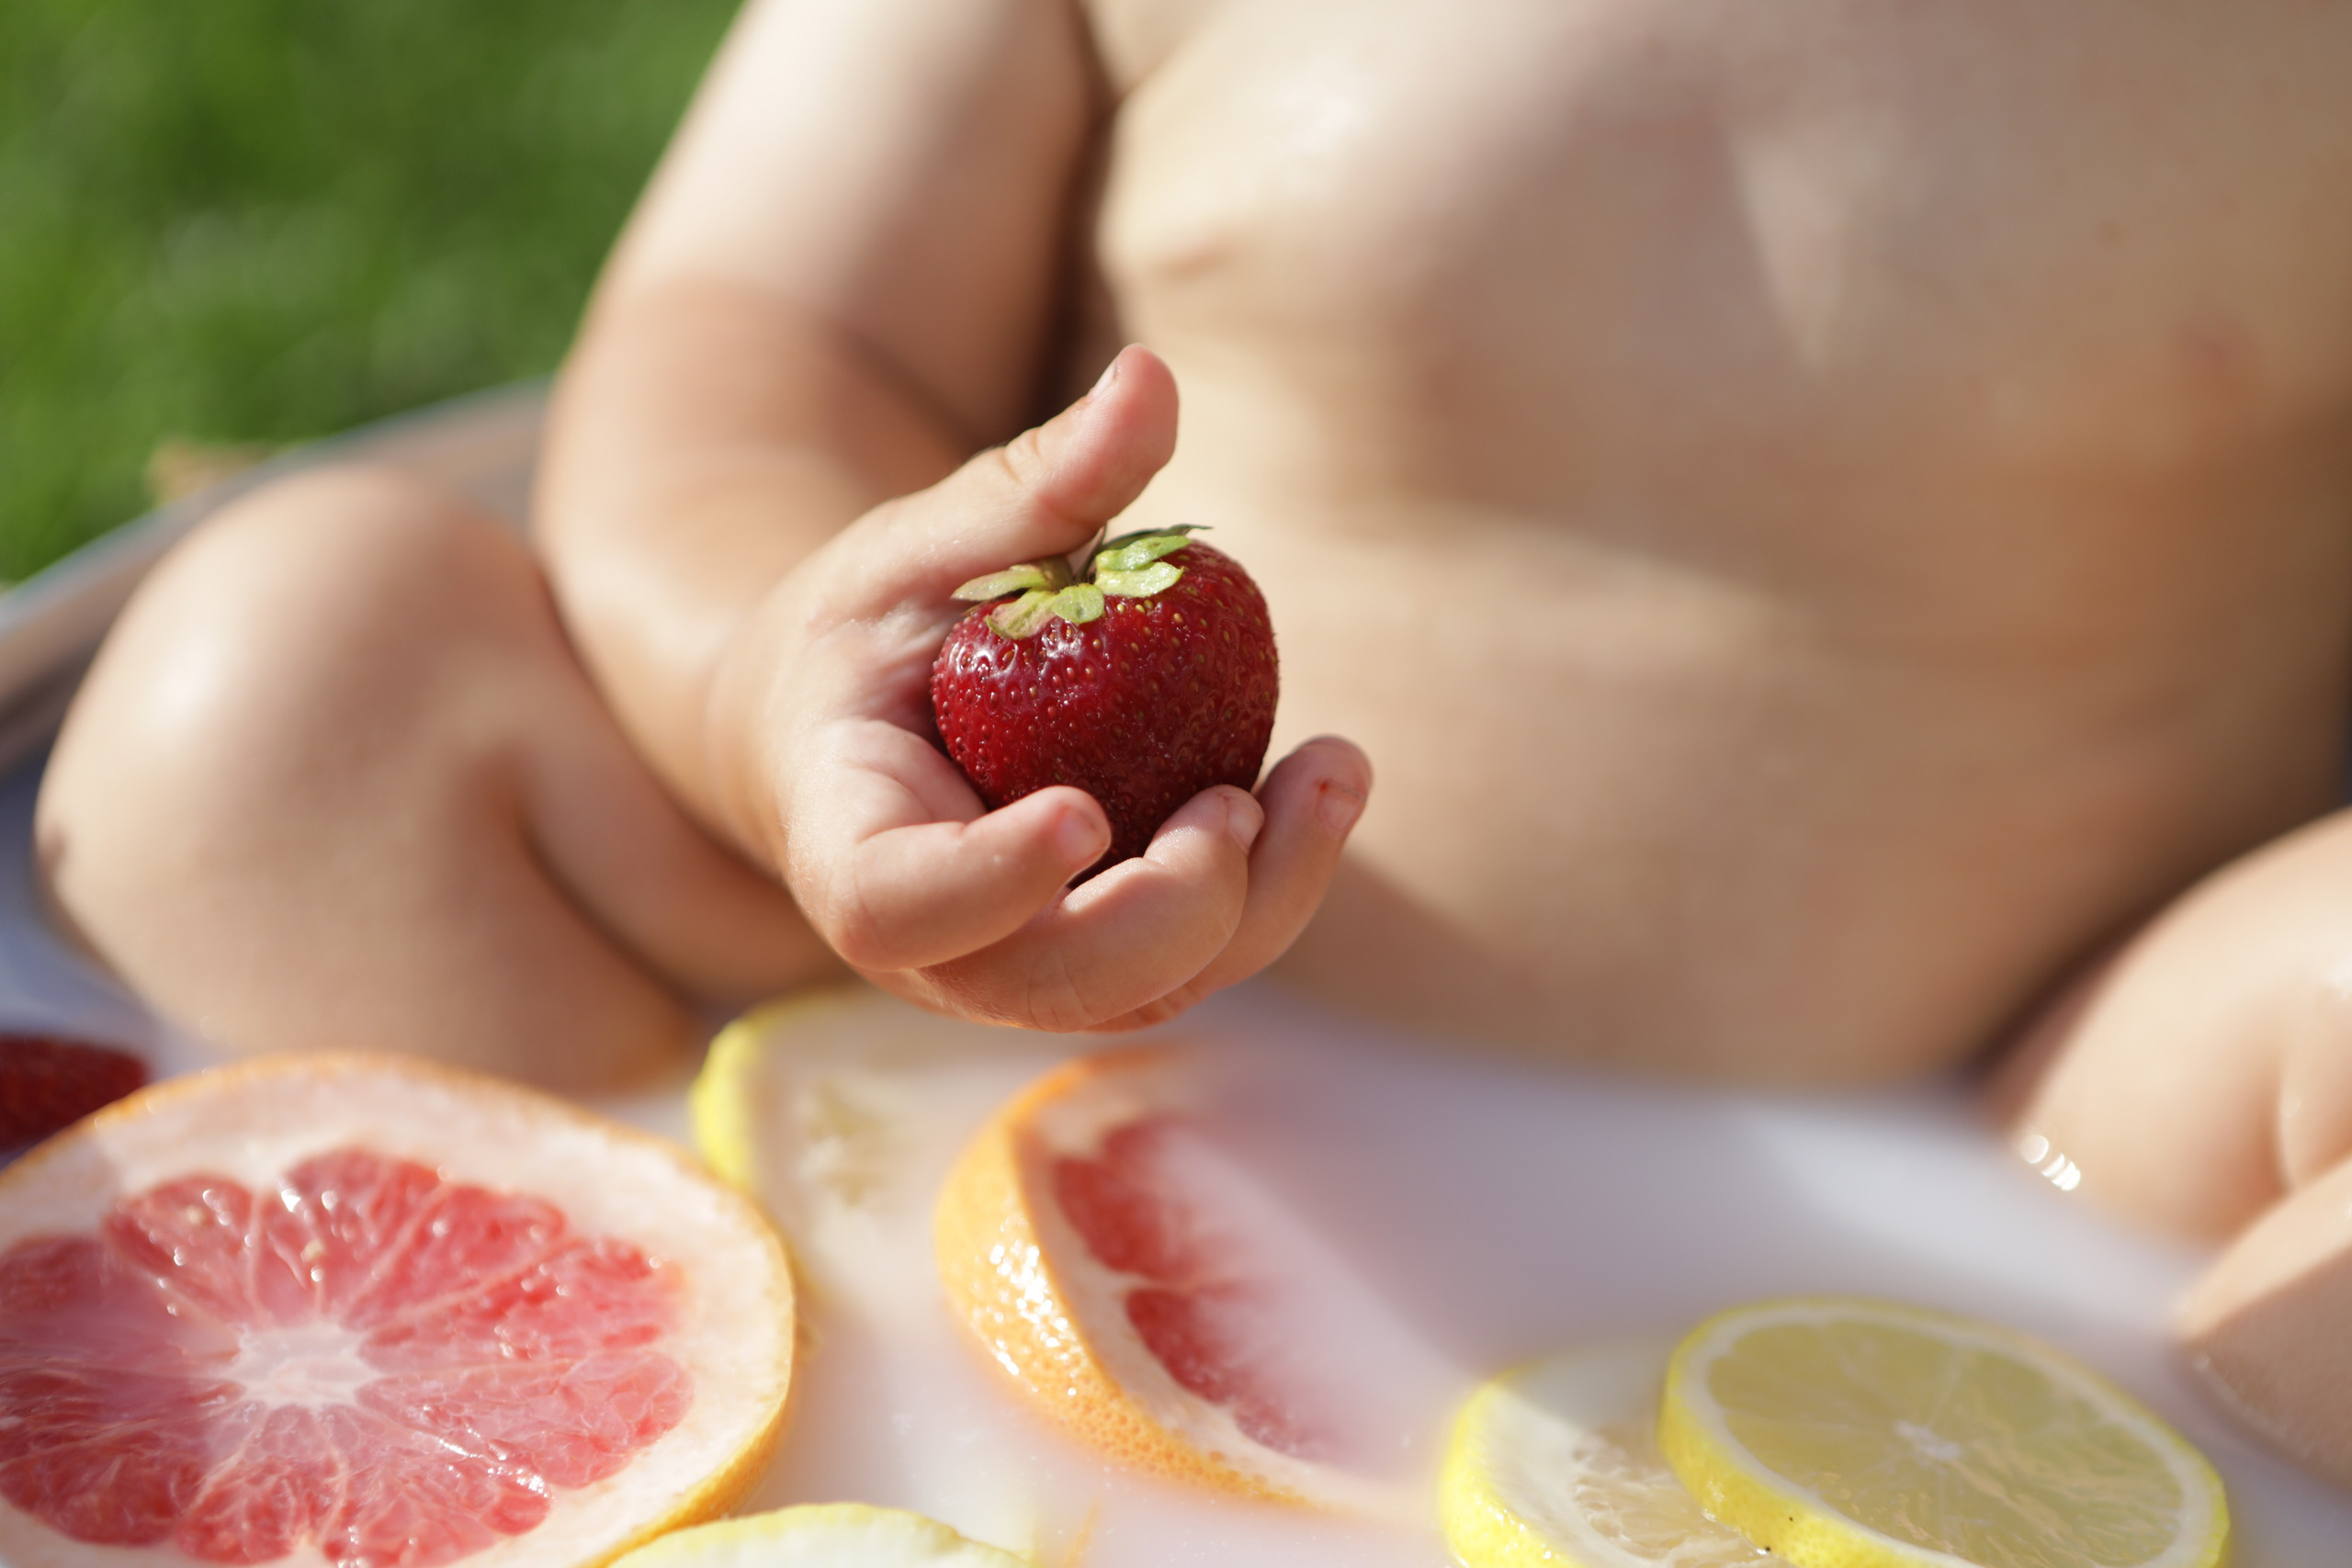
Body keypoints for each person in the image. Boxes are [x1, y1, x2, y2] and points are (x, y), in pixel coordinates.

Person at [32, 0, 2352, 1493]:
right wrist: (779, 704)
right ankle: (465, 1372)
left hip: (2051, 1107)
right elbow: (767, 330)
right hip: (901, 996)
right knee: (294, 664)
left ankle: (2164, 1471)